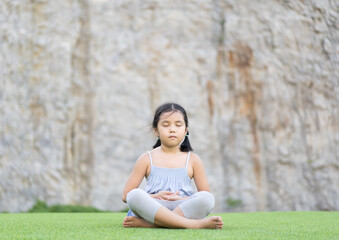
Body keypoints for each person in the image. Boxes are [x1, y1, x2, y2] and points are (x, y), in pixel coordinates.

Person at [122, 103, 223, 229]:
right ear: (156, 131)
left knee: (208, 198)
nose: (172, 129)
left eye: (178, 125)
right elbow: (126, 196)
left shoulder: (193, 159)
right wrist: (155, 196)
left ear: (186, 130)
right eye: (166, 125)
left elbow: (203, 194)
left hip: (182, 206)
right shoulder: (146, 158)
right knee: (134, 195)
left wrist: (181, 198)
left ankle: (153, 224)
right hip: (154, 206)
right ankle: (193, 225)